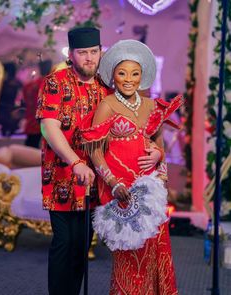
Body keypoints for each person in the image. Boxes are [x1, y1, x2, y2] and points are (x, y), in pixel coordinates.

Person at [36, 28, 162, 295]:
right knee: (65, 242)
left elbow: (133, 120)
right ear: (71, 55)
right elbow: (49, 127)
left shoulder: (105, 85)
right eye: (83, 53)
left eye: (94, 52)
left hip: (99, 178)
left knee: (83, 244)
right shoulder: (55, 82)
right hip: (62, 176)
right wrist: (74, 162)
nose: (90, 58)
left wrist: (155, 149)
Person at [81, 39, 184, 294]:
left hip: (150, 188)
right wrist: (113, 184)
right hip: (121, 189)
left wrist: (159, 157)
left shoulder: (151, 105)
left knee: (155, 249)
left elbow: (158, 143)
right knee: (128, 255)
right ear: (113, 75)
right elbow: (94, 151)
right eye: (122, 72)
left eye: (135, 73)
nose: (129, 79)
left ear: (142, 76)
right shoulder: (106, 106)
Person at [22, 60, 52, 148]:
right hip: (47, 121)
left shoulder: (29, 86)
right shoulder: (51, 85)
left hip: (32, 120)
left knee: (30, 147)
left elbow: (25, 102)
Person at [0, 62, 23, 136]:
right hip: (10, 105)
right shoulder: (16, 82)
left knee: (5, 120)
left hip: (4, 105)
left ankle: (7, 129)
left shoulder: (4, 82)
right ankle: (9, 129)